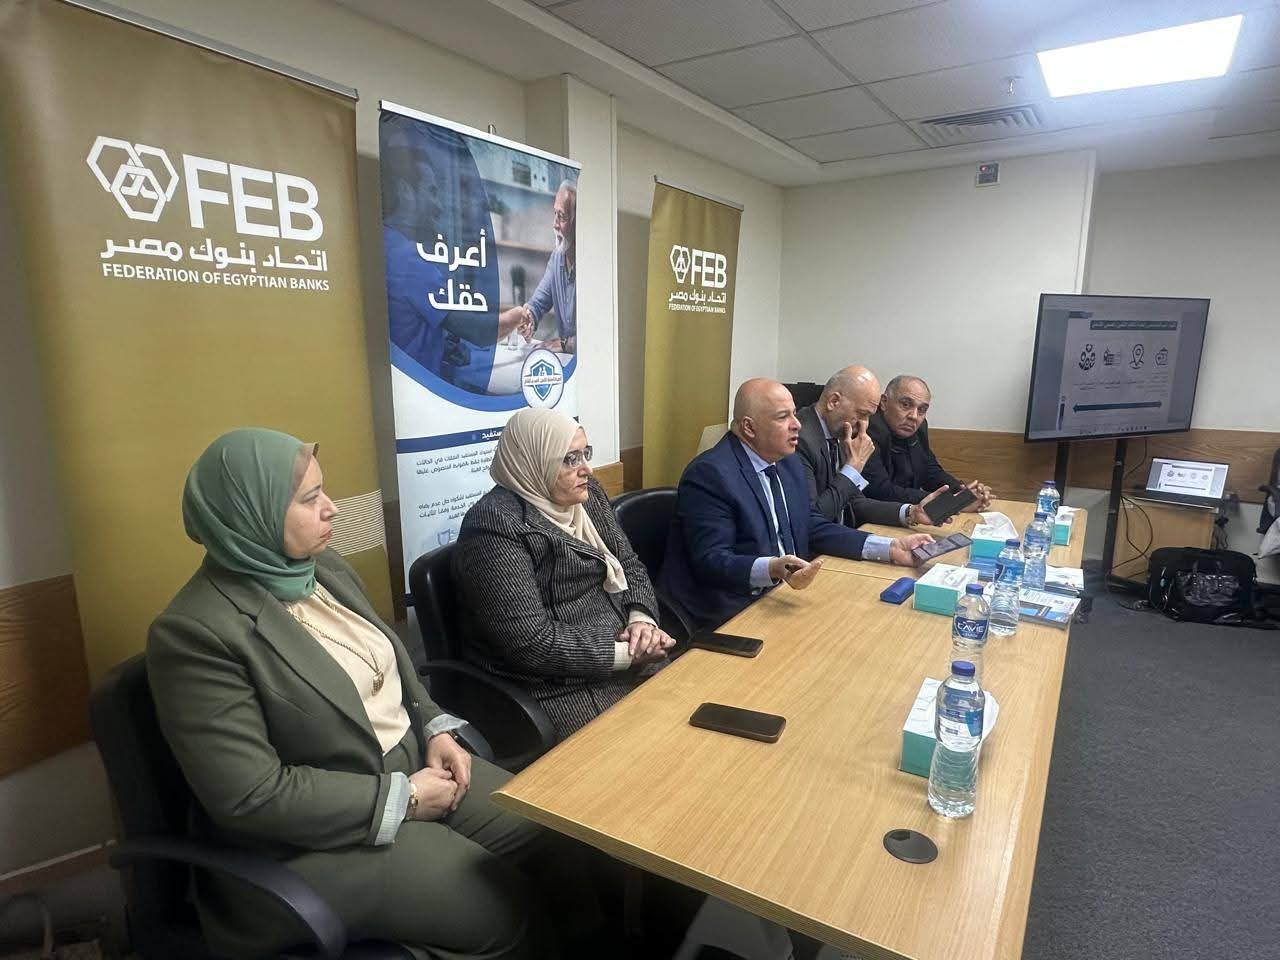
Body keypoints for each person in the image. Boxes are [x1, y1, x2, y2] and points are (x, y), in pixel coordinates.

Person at [148, 429, 566, 960]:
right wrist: (404, 799)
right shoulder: (195, 634)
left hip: (413, 765)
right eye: (309, 499)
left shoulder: (324, 569)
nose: (332, 509)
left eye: (324, 491)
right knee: (503, 912)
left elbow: (390, 669)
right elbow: (253, 797)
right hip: (311, 841)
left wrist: (435, 727)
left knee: (560, 836)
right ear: (250, 515)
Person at [453, 408, 674, 739]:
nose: (587, 469)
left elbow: (628, 564)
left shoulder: (586, 494)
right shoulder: (494, 527)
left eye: (585, 453)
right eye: (570, 459)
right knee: (645, 749)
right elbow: (531, 643)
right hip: (559, 685)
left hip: (630, 652)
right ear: (533, 462)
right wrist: (625, 654)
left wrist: (642, 620)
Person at [660, 379, 935, 629]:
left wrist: (890, 547)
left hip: (782, 596)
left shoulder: (786, 461)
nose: (797, 424)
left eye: (794, 413)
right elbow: (711, 561)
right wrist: (771, 568)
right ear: (749, 427)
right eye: (783, 417)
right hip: (728, 611)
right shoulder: (711, 474)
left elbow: (811, 525)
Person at [382, 127, 528, 384]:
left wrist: (441, 343)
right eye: (431, 192)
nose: (438, 205)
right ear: (405, 191)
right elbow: (479, 332)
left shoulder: (387, 242)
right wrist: (516, 316)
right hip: (421, 390)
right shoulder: (408, 259)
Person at [796, 365, 949, 528]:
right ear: (834, 401)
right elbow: (812, 520)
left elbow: (854, 503)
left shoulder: (838, 432)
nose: (865, 424)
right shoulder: (798, 440)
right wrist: (852, 469)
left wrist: (911, 512)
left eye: (869, 416)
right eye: (862, 414)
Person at [864, 374, 993, 510]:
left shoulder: (919, 429)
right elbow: (880, 491)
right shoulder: (867, 430)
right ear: (884, 402)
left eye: (922, 410)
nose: (914, 416)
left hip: (909, 514)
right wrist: (949, 502)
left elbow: (930, 472)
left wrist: (962, 492)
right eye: (905, 405)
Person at [499, 180, 577, 353]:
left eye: (562, 217)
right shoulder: (557, 258)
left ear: (577, 223)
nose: (554, 224)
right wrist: (529, 321)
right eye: (555, 214)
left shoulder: (591, 265)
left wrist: (565, 344)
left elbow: (599, 331)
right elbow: (538, 303)